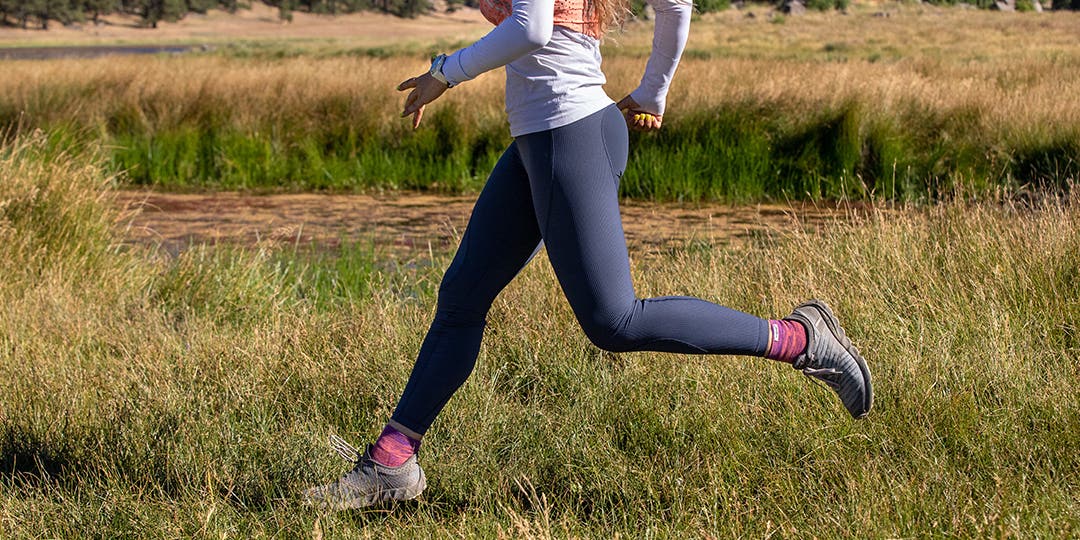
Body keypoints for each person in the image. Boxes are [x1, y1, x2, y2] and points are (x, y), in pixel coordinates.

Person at [305, 0, 872, 510]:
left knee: (613, 321)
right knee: (460, 298)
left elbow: (530, 28)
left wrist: (445, 73)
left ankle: (800, 339)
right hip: (542, 138)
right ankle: (390, 462)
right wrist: (653, 89)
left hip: (567, 133)